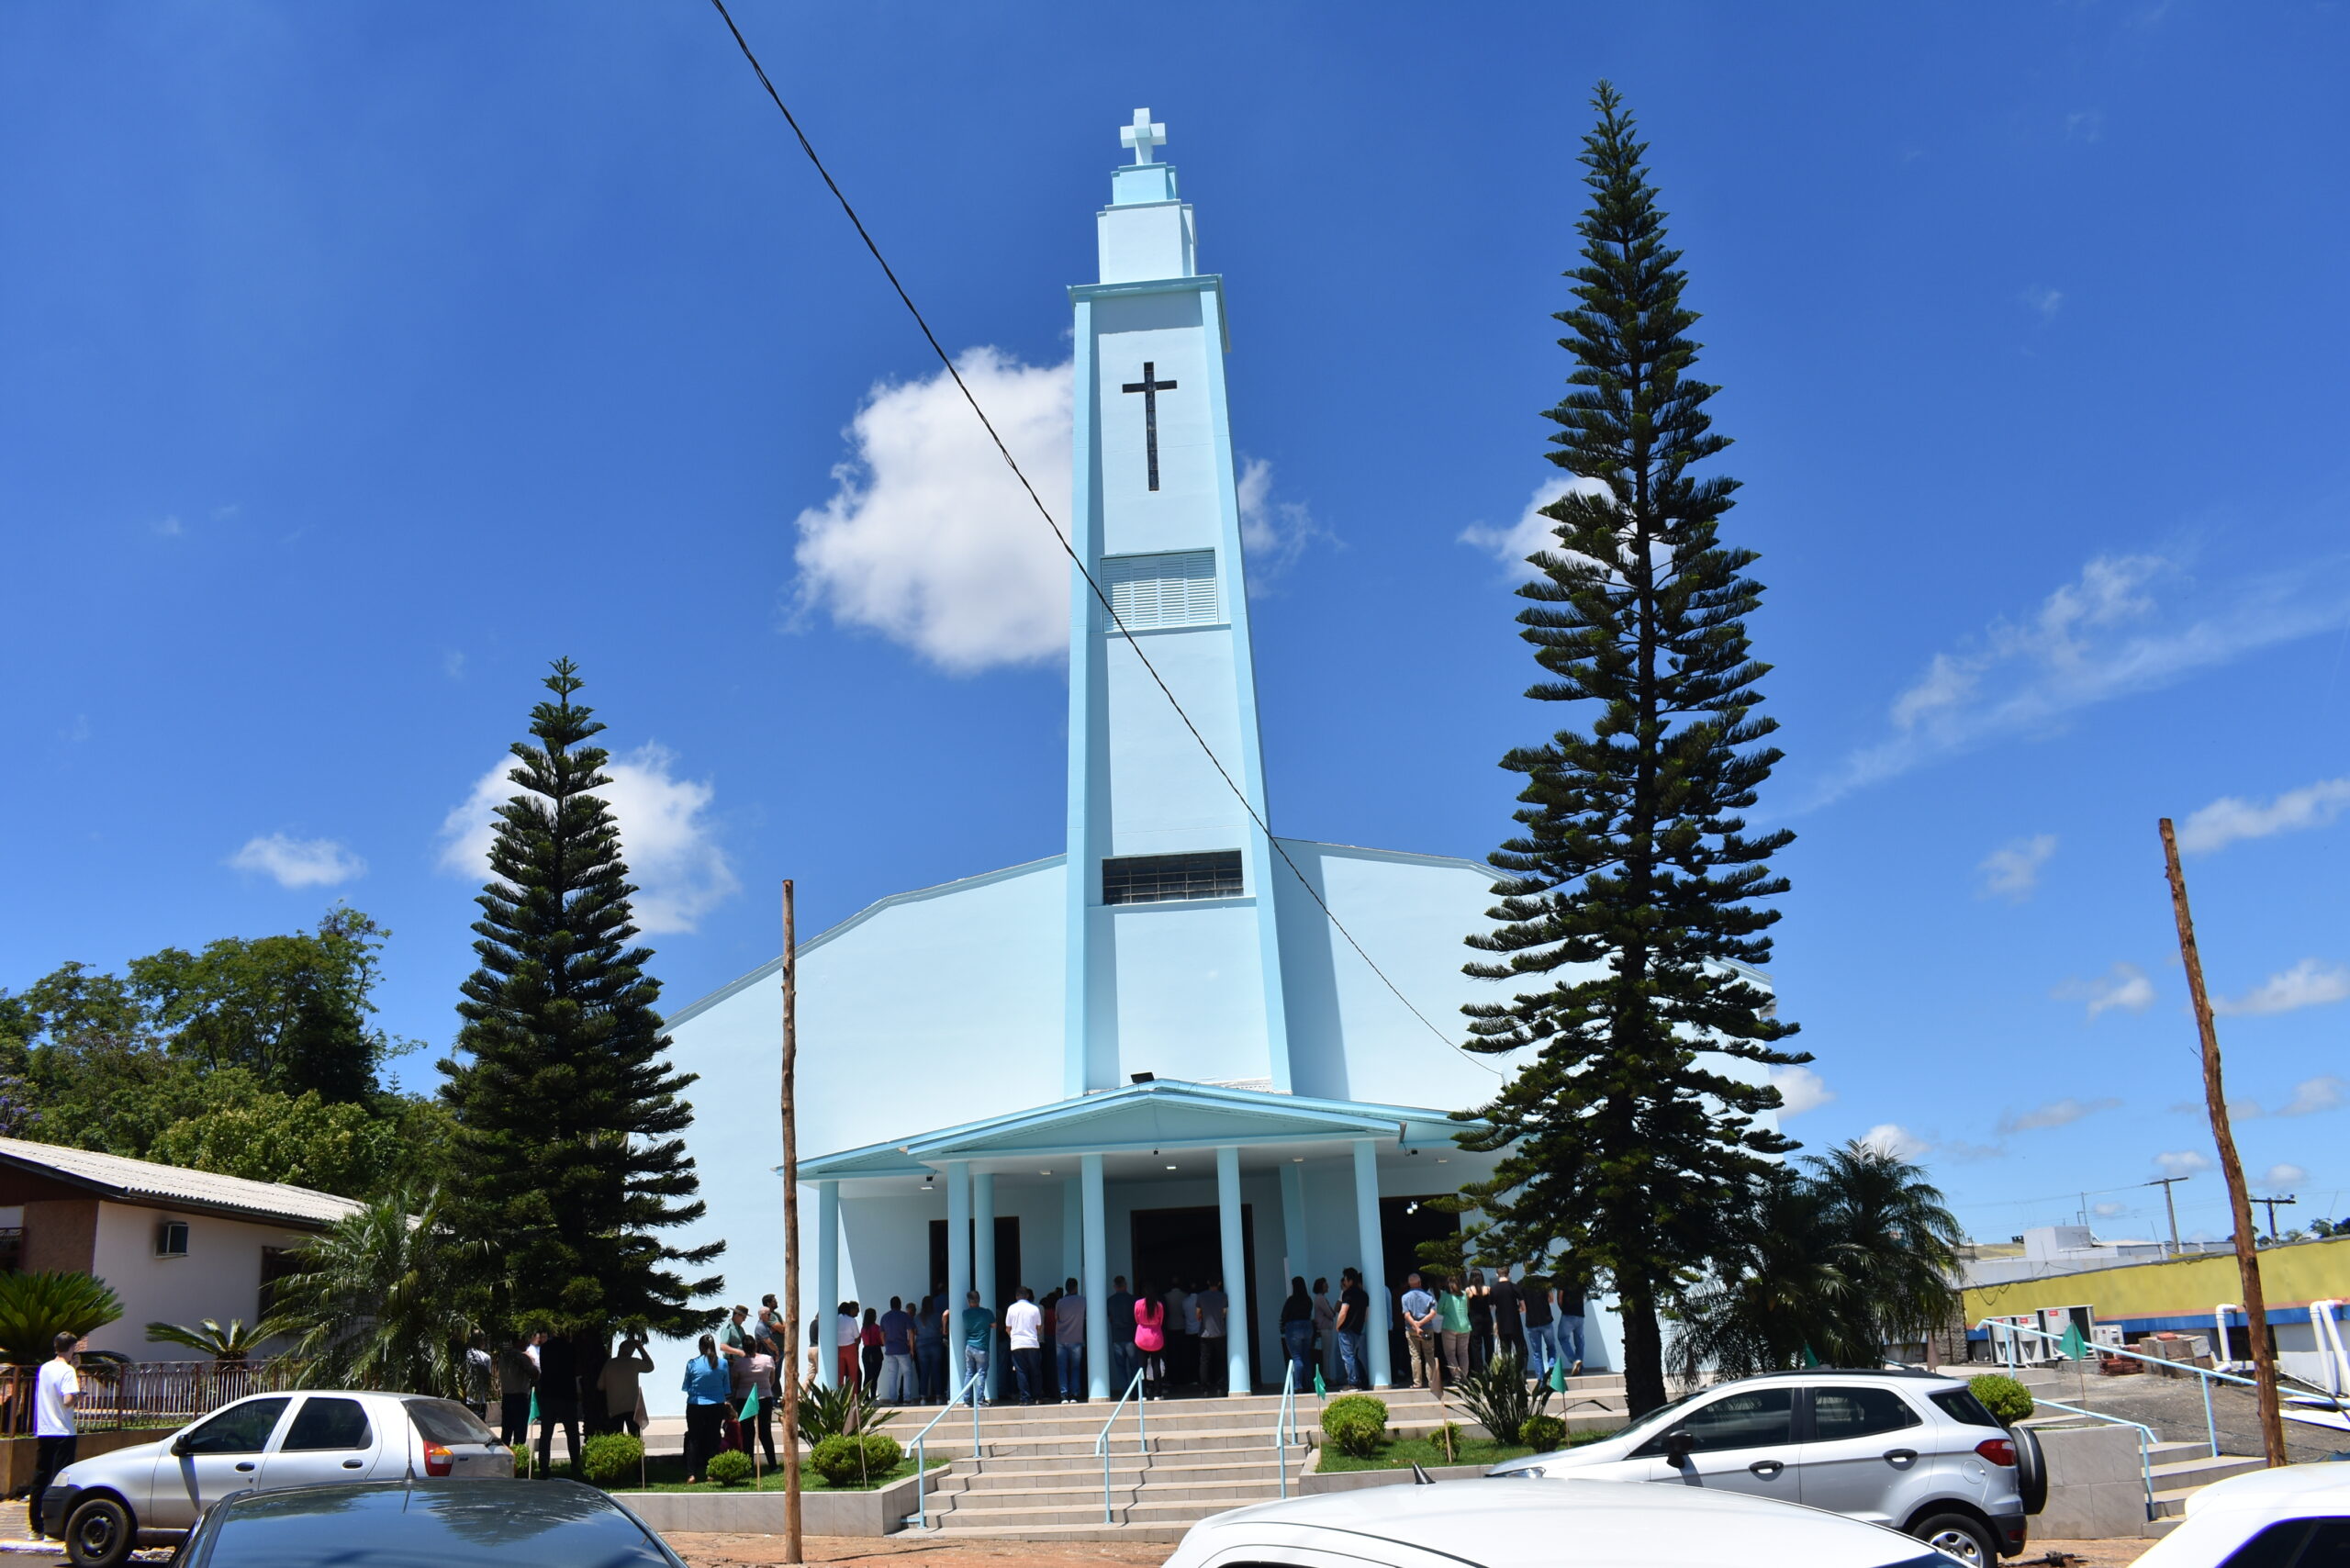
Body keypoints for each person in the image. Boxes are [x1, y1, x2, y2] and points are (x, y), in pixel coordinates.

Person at [28, 1333, 80, 1540]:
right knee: (59, 1480)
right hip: (63, 1431)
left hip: (45, 1429)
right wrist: (77, 1395)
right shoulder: (68, 1371)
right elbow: (68, 1400)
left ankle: (36, 1527)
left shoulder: (45, 1368)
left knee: (40, 1477)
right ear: (72, 1347)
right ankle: (54, 1527)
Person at [680, 1334, 731, 1484]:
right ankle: (711, 1473)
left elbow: (686, 1386)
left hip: (696, 1404)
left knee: (693, 1438)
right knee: (713, 1437)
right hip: (716, 1404)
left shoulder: (692, 1363)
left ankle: (691, 1474)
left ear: (701, 1347)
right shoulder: (723, 1363)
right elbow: (726, 1387)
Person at [535, 1326, 581, 1473]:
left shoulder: (545, 1348)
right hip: (567, 1393)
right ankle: (575, 1463)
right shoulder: (570, 1348)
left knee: (546, 1432)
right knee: (572, 1432)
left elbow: (543, 1368)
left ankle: (543, 1465)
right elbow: (576, 1369)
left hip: (549, 1394)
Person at [599, 1331, 655, 1437]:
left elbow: (600, 1386)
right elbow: (650, 1366)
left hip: (614, 1408)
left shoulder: (610, 1364)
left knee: (616, 1437)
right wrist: (641, 1348)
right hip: (632, 1407)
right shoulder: (634, 1362)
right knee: (634, 1436)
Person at [735, 1337, 778, 1465]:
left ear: (743, 1347)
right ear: (756, 1345)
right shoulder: (768, 1360)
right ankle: (773, 1464)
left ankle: (748, 1465)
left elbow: (735, 1383)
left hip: (744, 1398)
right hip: (765, 1397)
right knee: (765, 1432)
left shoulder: (739, 1364)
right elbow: (772, 1380)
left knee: (747, 1433)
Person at [496, 1332, 537, 1450]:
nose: (527, 1343)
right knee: (520, 1432)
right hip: (520, 1397)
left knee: (506, 1431)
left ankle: (505, 1454)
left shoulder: (503, 1358)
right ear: (519, 1342)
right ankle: (518, 1455)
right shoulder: (522, 1358)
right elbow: (535, 1374)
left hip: (507, 1397)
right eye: (524, 1340)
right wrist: (531, 1361)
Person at [1400, 1272, 1440, 1393]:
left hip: (1411, 1329)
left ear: (1409, 1284)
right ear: (1420, 1283)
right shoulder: (1428, 1296)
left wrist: (1416, 1325)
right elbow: (1433, 1313)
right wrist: (1421, 1323)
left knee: (1415, 1355)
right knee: (1429, 1354)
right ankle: (1432, 1382)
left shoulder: (1405, 1297)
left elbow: (1406, 1315)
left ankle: (1417, 1382)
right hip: (1427, 1328)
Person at [1004, 1285, 1045, 1404]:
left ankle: (1025, 1398)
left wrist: (1013, 1337)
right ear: (1027, 1296)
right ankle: (1037, 1397)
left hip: (1017, 1344)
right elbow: (1039, 1327)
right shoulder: (1035, 1309)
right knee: (1035, 1371)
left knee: (1021, 1371)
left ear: (1016, 1296)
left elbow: (1008, 1328)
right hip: (1032, 1343)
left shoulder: (1011, 1308)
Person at [956, 1290, 995, 1405]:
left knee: (969, 1373)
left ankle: (967, 1400)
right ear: (979, 1300)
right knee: (981, 1373)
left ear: (968, 1302)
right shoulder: (987, 1312)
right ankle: (979, 1400)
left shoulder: (965, 1313)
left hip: (969, 1347)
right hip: (982, 1347)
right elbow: (994, 1325)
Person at [877, 1296, 917, 1405]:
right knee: (907, 1373)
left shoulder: (885, 1317)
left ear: (891, 1305)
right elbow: (911, 1332)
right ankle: (907, 1399)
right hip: (903, 1349)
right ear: (900, 1305)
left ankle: (893, 1399)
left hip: (890, 1350)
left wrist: (886, 1345)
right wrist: (912, 1348)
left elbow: (882, 1334)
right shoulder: (904, 1316)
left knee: (892, 1375)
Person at [1335, 1268, 1370, 1390]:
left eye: (1345, 1279)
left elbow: (1343, 1312)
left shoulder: (1347, 1294)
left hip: (1346, 1329)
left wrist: (1338, 1326)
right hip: (1358, 1330)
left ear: (1350, 1280)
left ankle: (1353, 1382)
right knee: (1354, 1356)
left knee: (1348, 1356)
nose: (1344, 1282)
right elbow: (1366, 1315)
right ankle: (1362, 1380)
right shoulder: (1364, 1295)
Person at [1279, 1277, 1315, 1392]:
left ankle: (1298, 1385)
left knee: (1297, 1357)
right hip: (1308, 1326)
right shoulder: (1308, 1300)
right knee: (1306, 1357)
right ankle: (1309, 1384)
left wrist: (1283, 1325)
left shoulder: (1291, 1300)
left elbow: (1284, 1315)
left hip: (1293, 1327)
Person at [1522, 1272, 1558, 1386]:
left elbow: (1522, 1306)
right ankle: (1552, 1369)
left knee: (1537, 1353)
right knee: (1551, 1347)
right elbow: (1551, 1299)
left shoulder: (1521, 1284)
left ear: (1524, 1269)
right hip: (1546, 1320)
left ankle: (1541, 1381)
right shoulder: (1545, 1280)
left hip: (1531, 1323)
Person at [1491, 1265, 1528, 1372]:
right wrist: (1518, 1310)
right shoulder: (1514, 1287)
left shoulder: (1494, 1289)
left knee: (1505, 1351)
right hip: (1515, 1322)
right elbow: (1523, 1307)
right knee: (1521, 1349)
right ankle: (1522, 1373)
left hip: (1502, 1323)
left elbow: (1491, 1306)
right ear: (1509, 1274)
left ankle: (1507, 1374)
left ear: (1497, 1274)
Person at [1436, 1274, 1472, 1387]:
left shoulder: (1445, 1295)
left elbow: (1439, 1310)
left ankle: (1456, 1377)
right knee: (1463, 1353)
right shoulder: (1465, 1294)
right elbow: (1467, 1309)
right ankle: (1464, 1376)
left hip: (1449, 1326)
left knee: (1450, 1353)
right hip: (1465, 1326)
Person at [1132, 1287, 1167, 1399]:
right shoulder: (1159, 1305)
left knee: (1142, 1366)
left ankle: (1143, 1394)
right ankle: (1158, 1393)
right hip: (1156, 1337)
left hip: (1141, 1337)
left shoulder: (1138, 1303)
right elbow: (1161, 1320)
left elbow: (1136, 1319)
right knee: (1156, 1365)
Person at [1054, 1278, 1086, 1402]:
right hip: (1076, 1338)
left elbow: (1057, 1317)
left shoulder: (1060, 1302)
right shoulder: (1082, 1301)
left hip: (1061, 1339)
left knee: (1062, 1368)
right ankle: (1074, 1394)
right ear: (1076, 1287)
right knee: (1075, 1368)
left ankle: (1064, 1394)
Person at [1195, 1279, 1228, 1394]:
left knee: (1204, 1361)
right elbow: (1224, 1314)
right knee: (1221, 1360)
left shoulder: (1201, 1296)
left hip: (1205, 1334)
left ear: (1208, 1282)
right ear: (1219, 1284)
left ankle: (1204, 1388)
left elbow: (1198, 1315)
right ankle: (1220, 1387)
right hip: (1220, 1333)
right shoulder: (1223, 1296)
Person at [916, 1283, 947, 1403]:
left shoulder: (917, 1317)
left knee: (924, 1372)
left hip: (921, 1347)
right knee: (936, 1371)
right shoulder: (937, 1316)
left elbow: (915, 1331)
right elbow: (942, 1329)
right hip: (935, 1345)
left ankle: (923, 1398)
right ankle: (938, 1396)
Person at [1106, 1275, 1137, 1392]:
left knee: (1121, 1368)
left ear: (1115, 1286)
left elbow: (1110, 1318)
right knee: (1134, 1367)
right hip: (1131, 1336)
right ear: (1126, 1285)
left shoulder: (1110, 1301)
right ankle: (1136, 1392)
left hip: (1117, 1338)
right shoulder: (1133, 1300)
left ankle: (1126, 1393)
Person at [1161, 1281, 1191, 1391]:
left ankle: (1173, 1378)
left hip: (1170, 1327)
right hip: (1183, 1327)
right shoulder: (1185, 1296)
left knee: (1172, 1355)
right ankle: (1184, 1378)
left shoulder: (1166, 1296)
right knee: (1183, 1355)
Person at [1555, 1275, 1587, 1375]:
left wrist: (1563, 1309)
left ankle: (1575, 1360)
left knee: (1563, 1338)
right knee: (1580, 1342)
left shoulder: (1563, 1279)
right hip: (1580, 1315)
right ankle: (1579, 1369)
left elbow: (1560, 1298)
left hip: (1568, 1314)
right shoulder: (1581, 1278)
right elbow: (1584, 1296)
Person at [1311, 1277, 1339, 1387]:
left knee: (1325, 1354)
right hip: (1324, 1329)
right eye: (1325, 1285)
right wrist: (1332, 1312)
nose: (1327, 1286)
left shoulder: (1319, 1298)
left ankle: (1325, 1377)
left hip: (1324, 1328)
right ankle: (1326, 1377)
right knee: (1326, 1355)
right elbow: (1330, 1313)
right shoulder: (1321, 1298)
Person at [1465, 1269, 1494, 1373]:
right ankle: (1491, 1370)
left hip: (1474, 1319)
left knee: (1476, 1347)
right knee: (1489, 1345)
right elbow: (1491, 1306)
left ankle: (1478, 1371)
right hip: (1487, 1319)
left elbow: (1467, 1307)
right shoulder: (1488, 1289)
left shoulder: (1468, 1290)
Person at [463, 1332, 494, 1418]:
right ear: (480, 1341)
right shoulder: (485, 1357)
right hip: (480, 1400)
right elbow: (487, 1378)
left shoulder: (466, 1354)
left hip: (466, 1398)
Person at [836, 1301, 861, 1388]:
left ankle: (839, 1394)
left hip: (838, 1349)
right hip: (850, 1347)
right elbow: (857, 1336)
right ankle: (853, 1395)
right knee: (853, 1374)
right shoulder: (852, 1320)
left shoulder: (835, 1319)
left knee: (839, 1374)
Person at [859, 1306, 885, 1393]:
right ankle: (873, 1395)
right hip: (875, 1351)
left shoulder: (863, 1329)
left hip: (866, 1351)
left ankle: (865, 1396)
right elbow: (881, 1341)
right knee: (874, 1376)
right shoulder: (877, 1328)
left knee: (867, 1375)